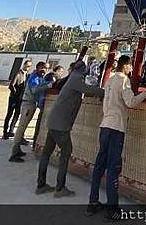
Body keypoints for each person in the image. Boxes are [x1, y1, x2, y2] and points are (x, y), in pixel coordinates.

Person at [86, 56, 146, 218]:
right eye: (131, 66)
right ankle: (112, 208)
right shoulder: (123, 80)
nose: (131, 69)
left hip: (105, 126)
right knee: (113, 167)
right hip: (116, 128)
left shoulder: (110, 79)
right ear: (127, 66)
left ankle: (92, 202)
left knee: (99, 165)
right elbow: (131, 102)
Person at [36, 60, 104, 197]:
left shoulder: (72, 78)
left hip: (54, 122)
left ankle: (41, 185)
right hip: (61, 125)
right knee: (66, 152)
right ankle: (60, 188)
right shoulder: (76, 79)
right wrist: (106, 91)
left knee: (46, 153)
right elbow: (89, 90)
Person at [9, 61, 50, 162]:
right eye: (44, 68)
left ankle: (17, 149)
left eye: (47, 68)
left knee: (23, 127)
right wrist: (48, 85)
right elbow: (35, 90)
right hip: (28, 104)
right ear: (39, 67)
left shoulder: (39, 77)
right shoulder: (34, 77)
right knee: (21, 128)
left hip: (31, 104)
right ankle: (14, 153)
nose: (45, 70)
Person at [32, 65, 65, 149]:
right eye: (60, 72)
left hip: (44, 102)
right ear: (56, 70)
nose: (61, 74)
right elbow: (51, 87)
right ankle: (35, 143)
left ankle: (35, 143)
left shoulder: (50, 76)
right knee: (41, 123)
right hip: (45, 102)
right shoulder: (51, 77)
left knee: (41, 123)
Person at [3, 59, 32, 139]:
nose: (28, 68)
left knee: (16, 115)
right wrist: (15, 95)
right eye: (27, 66)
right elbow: (11, 85)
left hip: (21, 98)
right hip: (14, 98)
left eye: (30, 66)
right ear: (24, 65)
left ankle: (11, 131)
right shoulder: (18, 73)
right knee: (9, 114)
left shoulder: (27, 75)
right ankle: (5, 132)